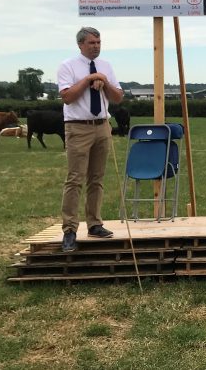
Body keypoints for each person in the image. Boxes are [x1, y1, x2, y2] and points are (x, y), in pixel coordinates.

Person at [57, 26, 125, 252]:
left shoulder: (106, 67)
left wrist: (104, 82)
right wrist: (89, 79)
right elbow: (67, 97)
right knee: (75, 179)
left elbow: (117, 98)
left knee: (97, 178)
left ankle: (95, 223)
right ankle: (70, 230)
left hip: (102, 126)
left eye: (98, 42)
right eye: (91, 43)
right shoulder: (68, 66)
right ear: (80, 44)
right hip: (78, 127)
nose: (96, 46)